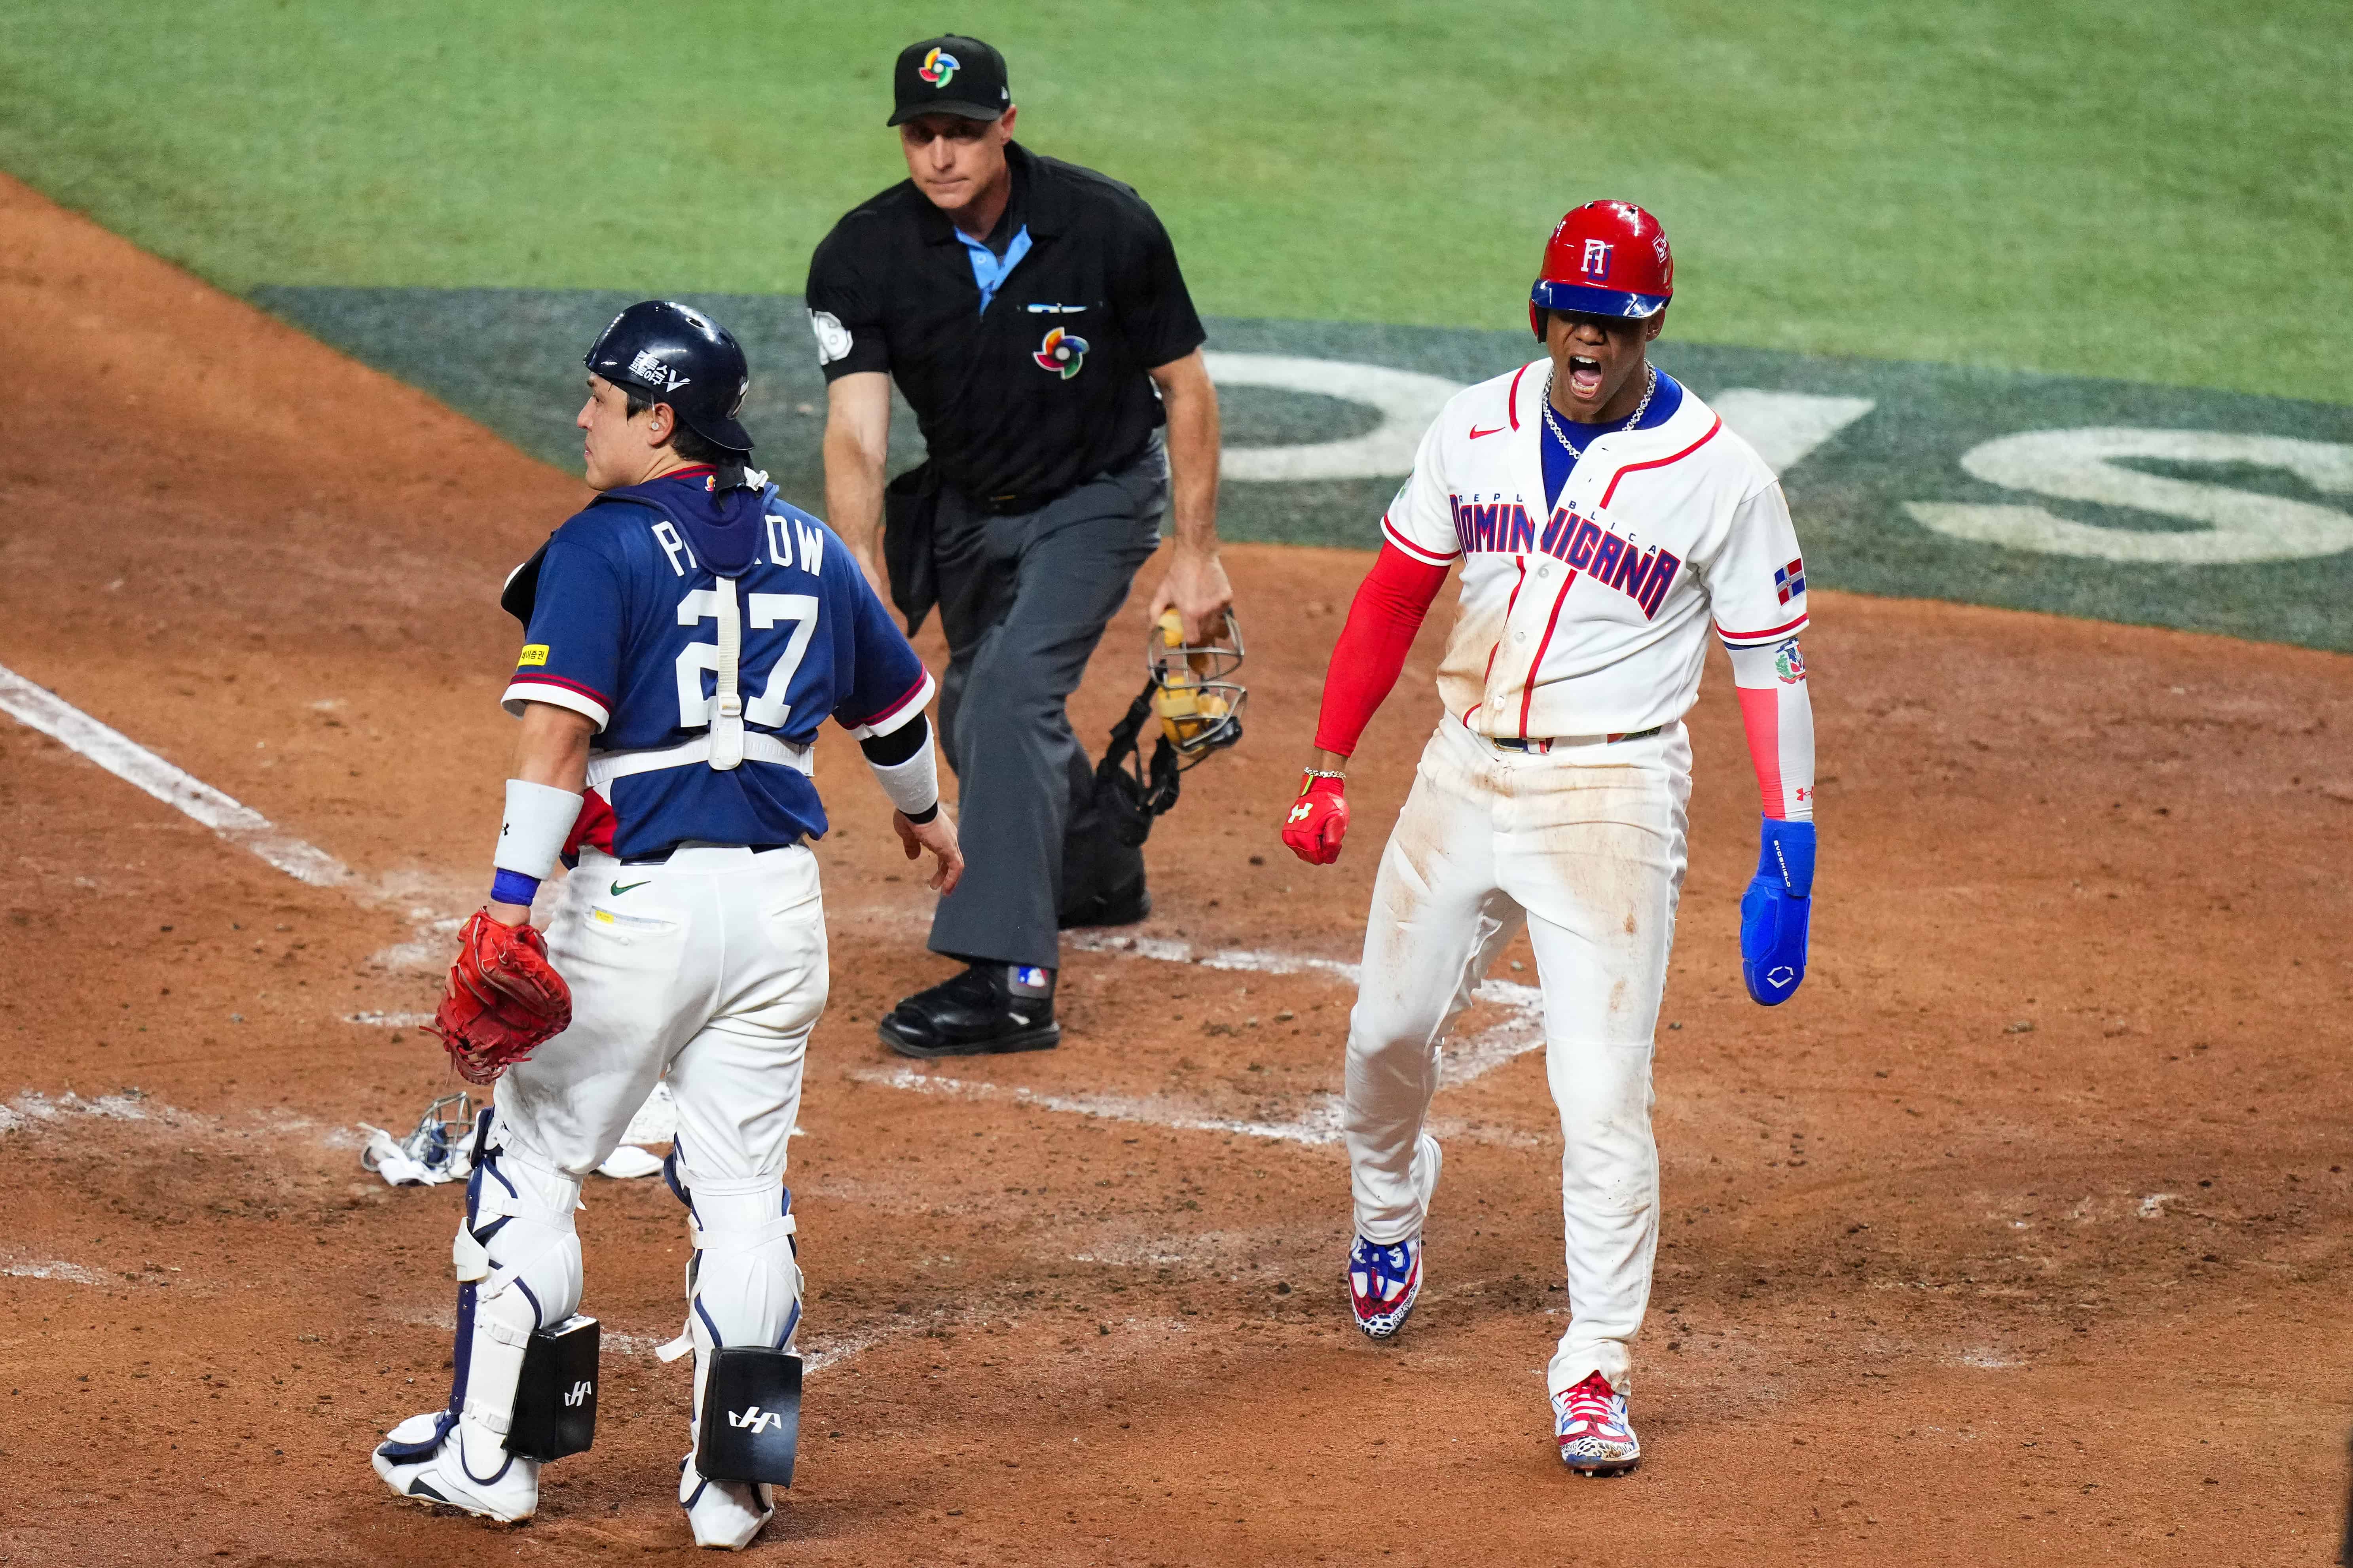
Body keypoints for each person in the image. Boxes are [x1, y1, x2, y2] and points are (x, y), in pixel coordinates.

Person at [371, 301, 961, 1549]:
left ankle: (491, 1457)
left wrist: (508, 903)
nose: (582, 416)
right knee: (745, 1187)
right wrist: (929, 821)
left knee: (529, 1161)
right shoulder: (806, 540)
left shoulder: (604, 546)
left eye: (602, 397)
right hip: (777, 908)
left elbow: (558, 735)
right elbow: (897, 713)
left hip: (633, 904)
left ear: (660, 416)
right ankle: (732, 1490)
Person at [1278, 201, 1818, 1475]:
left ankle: (1595, 1366)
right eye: (1570, 311)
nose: (1588, 336)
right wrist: (1328, 761)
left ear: (1649, 324)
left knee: (1599, 1097)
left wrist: (1788, 851)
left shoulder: (1721, 475)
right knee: (1382, 1037)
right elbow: (1395, 592)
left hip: (1612, 797)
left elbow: (1770, 667)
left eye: (1613, 317)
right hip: (1460, 771)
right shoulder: (1472, 423)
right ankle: (1388, 1213)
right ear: (1541, 313)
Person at [806, 33, 1231, 1059]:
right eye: (921, 134)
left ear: (1006, 124)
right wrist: (861, 560)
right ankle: (1091, 867)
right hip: (964, 507)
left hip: (1095, 495)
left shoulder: (1106, 226)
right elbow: (856, 431)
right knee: (968, 713)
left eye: (961, 131)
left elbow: (1186, 387)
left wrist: (1195, 553)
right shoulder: (862, 254)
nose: (940, 155)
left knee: (1006, 699)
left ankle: (1012, 980)